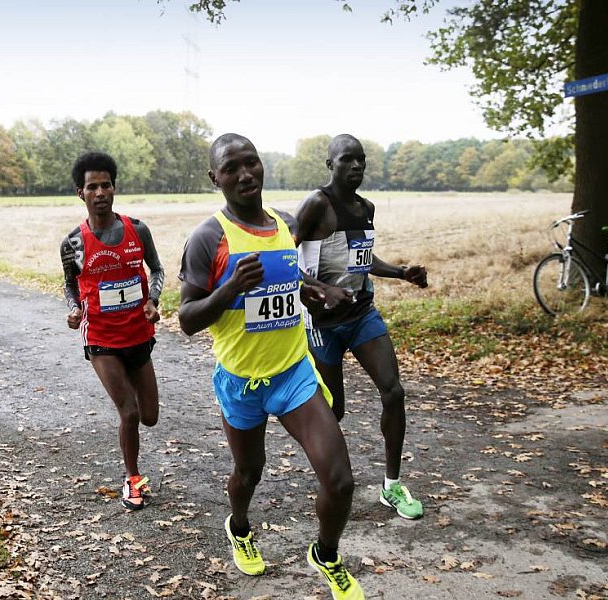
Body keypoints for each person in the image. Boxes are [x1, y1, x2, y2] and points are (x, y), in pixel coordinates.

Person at [179, 133, 364, 600]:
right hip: (242, 382)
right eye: (231, 168)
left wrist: (318, 290)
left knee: (340, 481)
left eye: (252, 163)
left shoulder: (286, 223)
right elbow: (186, 320)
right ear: (215, 178)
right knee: (249, 473)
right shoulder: (208, 238)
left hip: (292, 373)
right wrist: (229, 289)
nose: (245, 174)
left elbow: (287, 278)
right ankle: (240, 527)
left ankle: (326, 553)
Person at [295, 134, 428, 520]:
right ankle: (332, 481)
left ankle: (392, 486)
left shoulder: (366, 207)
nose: (356, 166)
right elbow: (283, 257)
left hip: (361, 314)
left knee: (393, 391)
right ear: (330, 164)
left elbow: (362, 261)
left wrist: (401, 273)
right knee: (333, 410)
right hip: (322, 322)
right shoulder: (317, 204)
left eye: (361, 160)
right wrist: (322, 290)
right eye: (346, 159)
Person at [60, 151, 164, 511]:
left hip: (138, 333)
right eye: (92, 187)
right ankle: (133, 479)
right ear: (81, 192)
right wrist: (74, 308)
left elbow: (157, 270)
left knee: (149, 416)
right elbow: (69, 284)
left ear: (114, 188)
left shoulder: (138, 229)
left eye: (106, 185)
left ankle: (129, 398)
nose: (100, 192)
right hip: (101, 338)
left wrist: (153, 300)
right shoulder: (73, 243)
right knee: (129, 413)